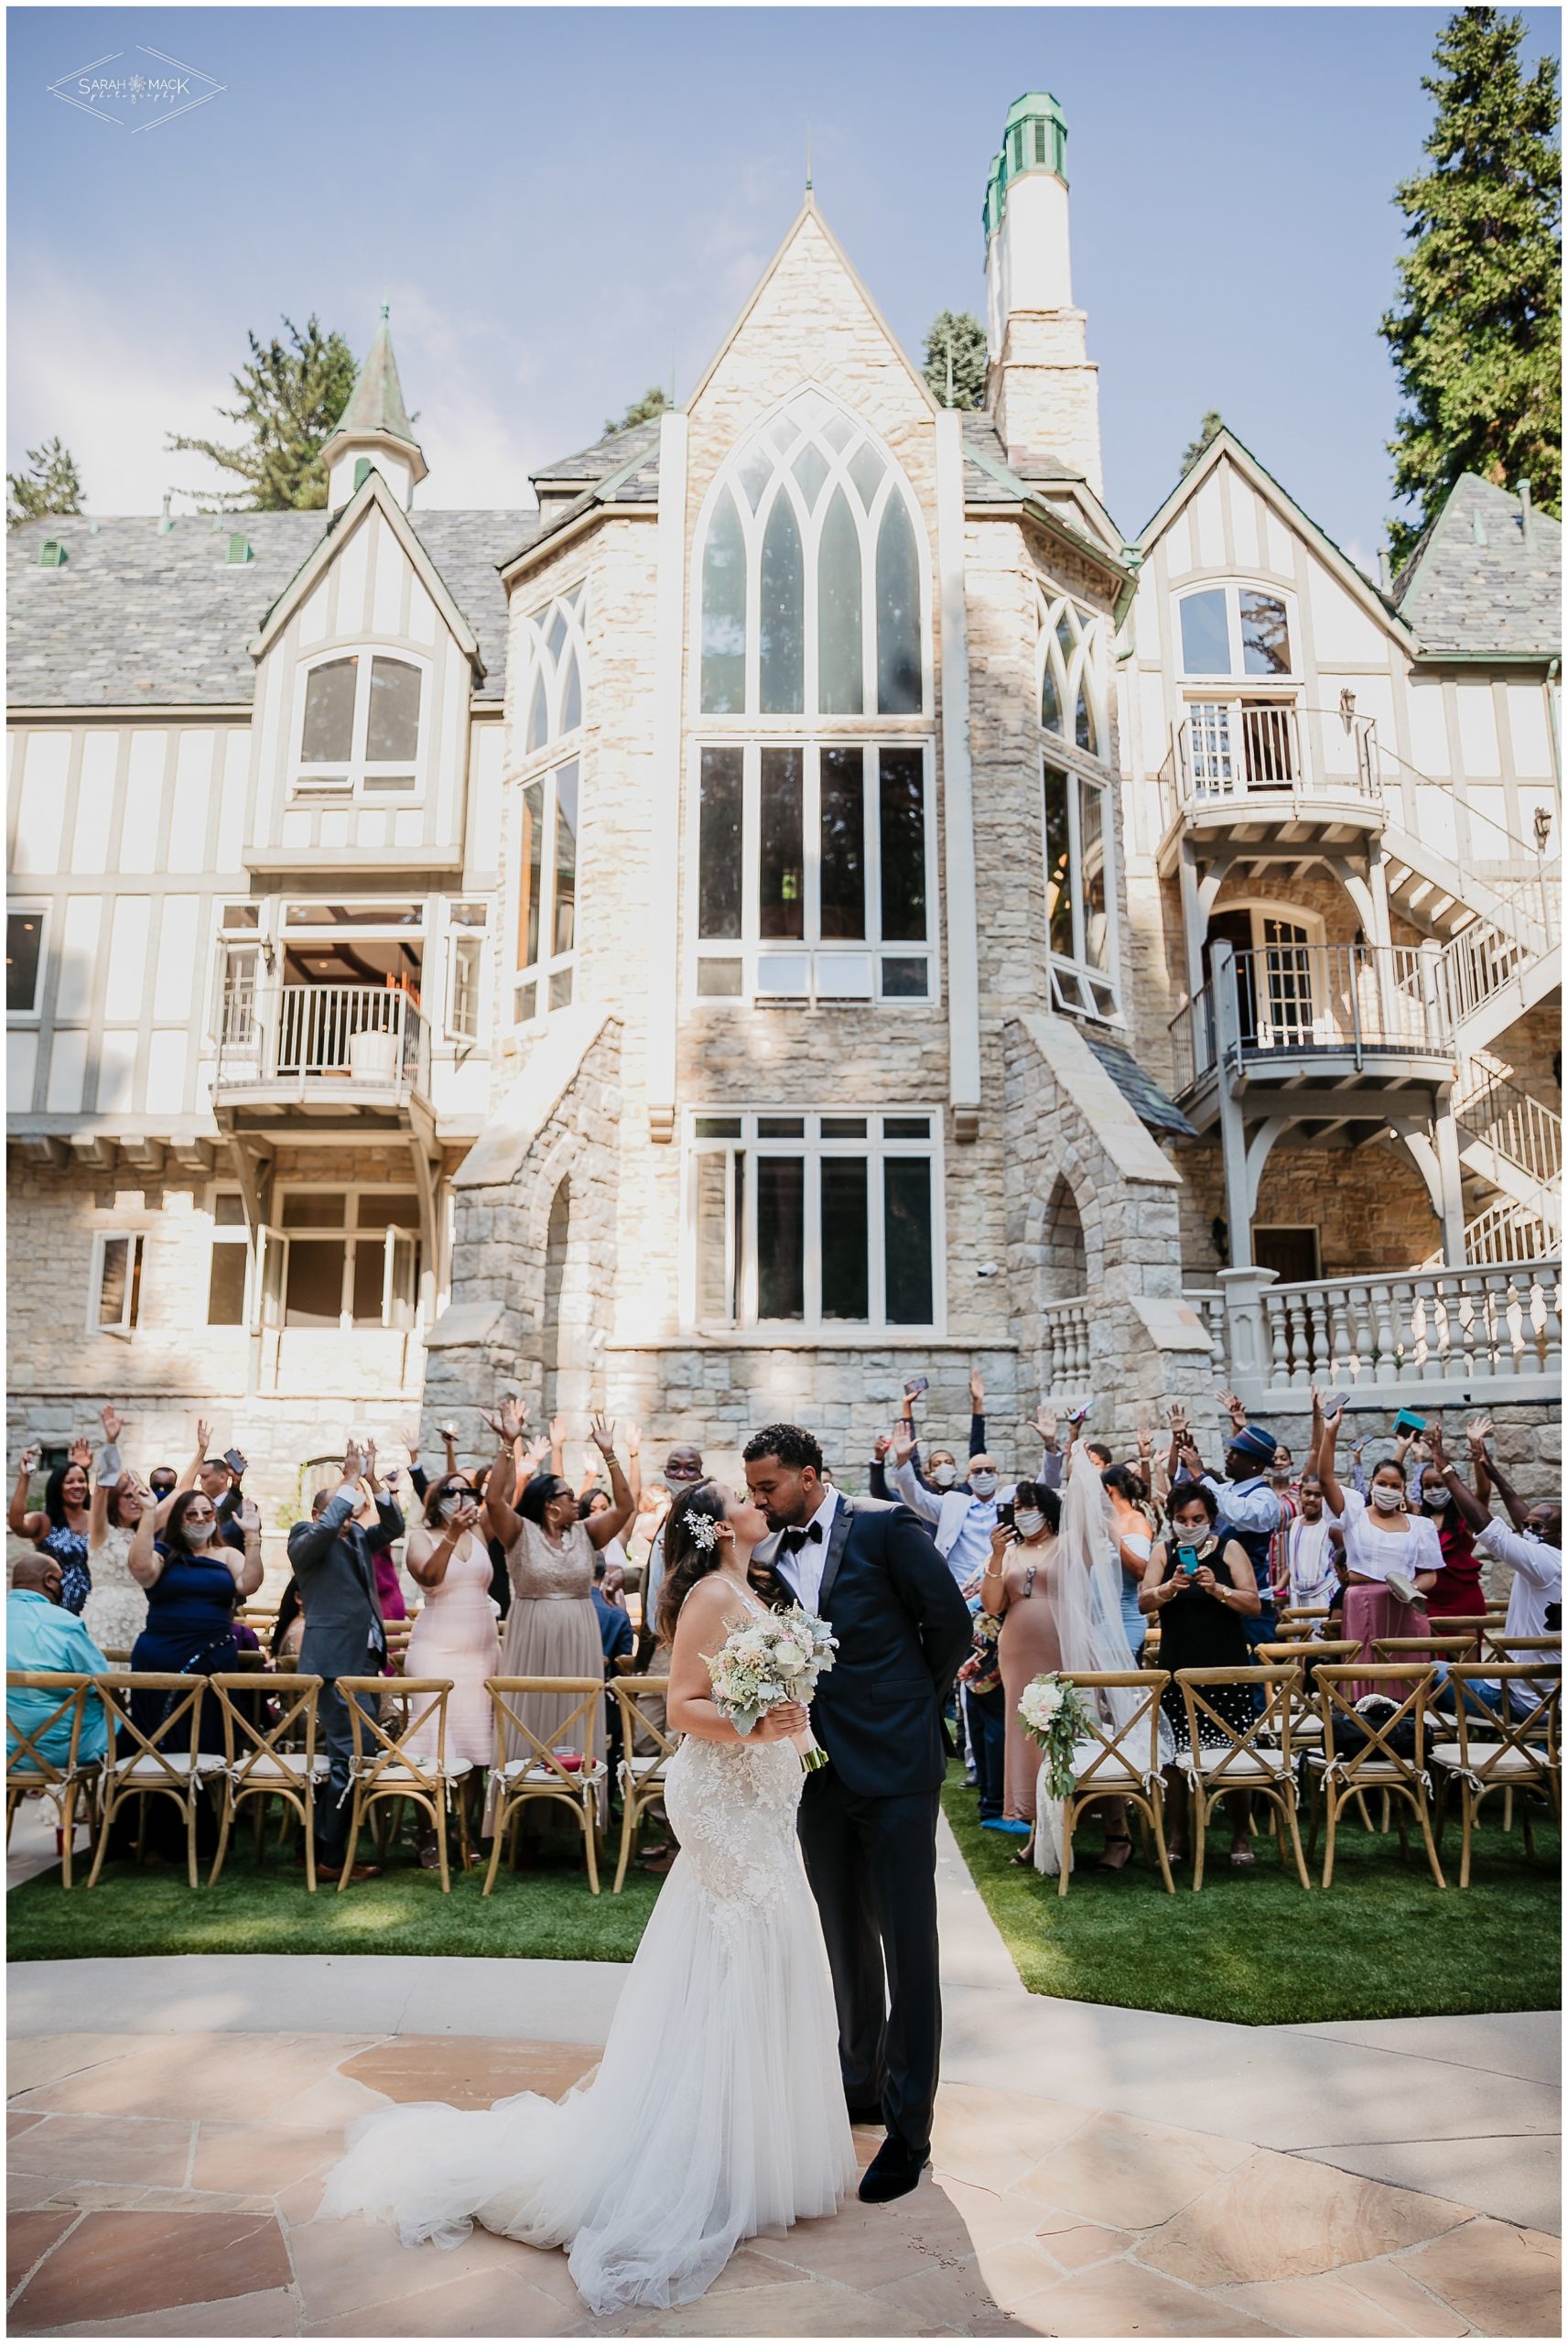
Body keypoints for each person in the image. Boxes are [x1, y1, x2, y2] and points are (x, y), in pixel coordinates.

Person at [321, 1475, 856, 2312]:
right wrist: (757, 1724)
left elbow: (751, 1693)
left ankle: (746, 2147)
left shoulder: (750, 1589)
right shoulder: (712, 1596)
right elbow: (684, 1708)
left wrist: (786, 1715)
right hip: (721, 1798)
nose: (762, 1506)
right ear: (719, 1529)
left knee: (764, 1948)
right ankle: (694, 2152)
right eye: (746, 1499)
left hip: (762, 1795)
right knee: (735, 1947)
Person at [745, 1421, 972, 2205]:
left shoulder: (885, 1528)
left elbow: (950, 1625)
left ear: (809, 1477)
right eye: (751, 1492)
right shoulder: (768, 1557)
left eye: (768, 1488)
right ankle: (862, 2084)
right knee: (844, 1938)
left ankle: (910, 2129)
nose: (759, 1502)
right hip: (816, 1772)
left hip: (898, 1767)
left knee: (910, 1948)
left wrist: (910, 1705)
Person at [487, 1416, 633, 1823]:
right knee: (527, 1714)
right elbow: (495, 1502)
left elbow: (626, 1506)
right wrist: (507, 1446)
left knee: (576, 1716)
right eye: (569, 1496)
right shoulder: (519, 1533)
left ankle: (578, 1817)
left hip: (578, 1630)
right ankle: (523, 1818)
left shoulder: (586, 1534)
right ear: (550, 1506)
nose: (577, 1501)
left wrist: (610, 1452)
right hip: (531, 1631)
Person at [287, 1439, 402, 1883]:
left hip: (360, 1661)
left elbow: (392, 1526)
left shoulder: (355, 1535)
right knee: (349, 1760)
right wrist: (349, 1480)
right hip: (332, 1664)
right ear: (320, 1514)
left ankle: (312, 1849)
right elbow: (328, 1522)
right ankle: (332, 1861)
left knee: (350, 1758)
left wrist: (373, 1481)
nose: (348, 1517)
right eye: (340, 1509)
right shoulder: (304, 1538)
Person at [1141, 1481, 1260, 1866]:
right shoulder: (1164, 1551)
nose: (1189, 1525)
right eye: (1181, 1519)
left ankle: (1241, 1835)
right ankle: (1179, 1837)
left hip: (1225, 1668)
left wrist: (1219, 1589)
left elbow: (1254, 1603)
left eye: (1197, 1519)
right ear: (1172, 1520)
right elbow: (1144, 1600)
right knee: (1175, 1759)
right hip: (1178, 1668)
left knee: (1234, 1751)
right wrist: (1168, 1589)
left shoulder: (1230, 1549)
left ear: (1211, 1519)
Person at [404, 1458, 504, 1866]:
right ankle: (428, 1835)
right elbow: (428, 1578)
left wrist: (509, 1446)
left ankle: (469, 1834)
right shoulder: (420, 1536)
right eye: (451, 1491)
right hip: (435, 1653)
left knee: (476, 1744)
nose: (460, 1498)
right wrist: (452, 1535)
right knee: (432, 1744)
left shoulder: (482, 1531)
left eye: (467, 1492)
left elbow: (503, 1495)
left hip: (481, 1655)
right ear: (435, 1499)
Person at [1312, 1394, 1441, 1694]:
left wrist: (1413, 1588)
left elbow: (1430, 1573)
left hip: (1406, 1605)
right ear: (1371, 1485)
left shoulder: (1419, 1525)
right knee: (1367, 1682)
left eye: (1395, 1486)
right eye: (1382, 1484)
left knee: (1406, 1685)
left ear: (1404, 1490)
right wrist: (1330, 1432)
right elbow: (1326, 1479)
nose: (1388, 1490)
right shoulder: (1355, 1512)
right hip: (1363, 1602)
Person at [1428, 1420, 1561, 1705]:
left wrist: (1446, 1469)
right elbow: (1527, 1520)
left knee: (1430, 1672)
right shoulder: (1552, 1553)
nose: (1527, 1532)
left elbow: (1488, 1528)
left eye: (1536, 1529)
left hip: (1523, 1698)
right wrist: (1490, 1470)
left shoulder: (1546, 1564)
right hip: (1556, 1699)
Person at [127, 1481, 264, 1746]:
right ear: (179, 1519)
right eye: (192, 1514)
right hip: (160, 1656)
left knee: (208, 1737)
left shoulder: (226, 1554)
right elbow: (141, 1569)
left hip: (212, 1657)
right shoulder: (163, 1554)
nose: (200, 1519)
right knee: (157, 1739)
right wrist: (148, 1513)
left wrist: (252, 1535)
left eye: (207, 1513)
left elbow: (250, 1583)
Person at [979, 1482, 1065, 1834]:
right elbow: (992, 1605)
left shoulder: (1066, 1545)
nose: (1022, 1513)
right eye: (1016, 1507)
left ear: (1045, 1509)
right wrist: (997, 1555)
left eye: (1028, 1506)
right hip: (1017, 1651)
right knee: (1024, 1728)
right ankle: (1034, 1819)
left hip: (1060, 1644)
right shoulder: (1009, 1553)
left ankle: (1069, 1811)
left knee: (1061, 1722)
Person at [1172, 1416, 1283, 1653]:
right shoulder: (1225, 1490)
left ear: (1255, 1464)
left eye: (1235, 1453)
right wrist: (1186, 1458)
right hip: (1216, 1596)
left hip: (1250, 1604)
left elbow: (1238, 1512)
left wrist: (1201, 1475)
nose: (1228, 1456)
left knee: (1252, 1675)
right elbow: (1188, 1495)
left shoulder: (1265, 1499)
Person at [7, 1553, 111, 1770]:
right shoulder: (66, 1624)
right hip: (64, 1750)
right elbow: (105, 1685)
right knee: (129, 1731)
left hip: (6, 1751)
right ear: (49, 1581)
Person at [890, 1427, 1006, 1588]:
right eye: (978, 1471)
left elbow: (1045, 1490)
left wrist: (1050, 1446)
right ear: (968, 1477)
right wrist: (903, 1459)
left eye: (989, 1470)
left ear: (998, 1474)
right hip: (960, 1589)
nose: (984, 1475)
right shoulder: (952, 1503)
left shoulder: (1011, 1501)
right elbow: (915, 1497)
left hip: (1002, 1586)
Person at [82, 1408, 151, 1657]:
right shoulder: (101, 1531)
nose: (135, 1502)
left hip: (141, 1612)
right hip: (105, 1615)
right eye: (128, 1496)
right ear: (115, 1500)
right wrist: (111, 1443)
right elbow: (101, 1490)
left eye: (139, 1496)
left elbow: (178, 1496)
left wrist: (200, 1453)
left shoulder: (146, 1533)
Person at [10, 1438, 94, 1613]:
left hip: (92, 1608)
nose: (77, 1486)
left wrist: (80, 1468)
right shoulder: (44, 1521)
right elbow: (17, 1524)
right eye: (69, 1481)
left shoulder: (95, 1519)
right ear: (57, 1487)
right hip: (52, 1609)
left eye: (81, 1480)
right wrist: (24, 1478)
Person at [1282, 1473, 1343, 1612]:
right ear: (1300, 1494)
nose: (1311, 1499)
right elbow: (1293, 1561)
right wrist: (1280, 1586)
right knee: (1298, 1632)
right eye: (1307, 1493)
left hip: (1324, 1593)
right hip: (1297, 1595)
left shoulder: (1331, 1527)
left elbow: (1343, 1558)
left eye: (1318, 1495)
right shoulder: (1293, 1524)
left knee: (1321, 1632)